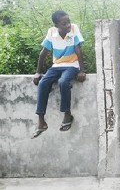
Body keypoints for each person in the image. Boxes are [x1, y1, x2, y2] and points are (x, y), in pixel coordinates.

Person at [31, 10, 86, 139]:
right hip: (56, 66)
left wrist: (81, 70)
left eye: (68, 22)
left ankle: (67, 114)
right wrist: (38, 72)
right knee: (43, 83)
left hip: (72, 65)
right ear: (56, 25)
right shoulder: (51, 32)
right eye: (64, 23)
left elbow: (78, 50)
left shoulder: (74, 28)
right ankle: (41, 121)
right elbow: (43, 53)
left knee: (63, 82)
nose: (68, 25)